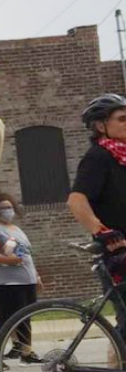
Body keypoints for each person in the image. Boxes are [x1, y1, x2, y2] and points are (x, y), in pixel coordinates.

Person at [68, 93, 126, 337]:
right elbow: (76, 200)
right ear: (101, 126)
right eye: (122, 119)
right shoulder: (99, 157)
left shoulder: (122, 157)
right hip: (118, 251)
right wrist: (102, 231)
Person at [0, 191, 42, 365]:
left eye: (10, 207)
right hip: (8, 281)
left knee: (26, 315)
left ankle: (26, 351)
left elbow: (27, 254)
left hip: (26, 279)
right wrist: (8, 260)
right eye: (4, 208)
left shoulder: (17, 229)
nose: (8, 210)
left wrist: (36, 276)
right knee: (7, 316)